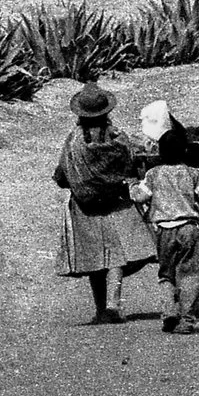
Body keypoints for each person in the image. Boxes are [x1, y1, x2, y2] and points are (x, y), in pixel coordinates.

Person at [53, 82, 154, 324]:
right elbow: (130, 165)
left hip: (84, 206)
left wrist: (84, 182)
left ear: (80, 114)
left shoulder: (73, 142)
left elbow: (61, 176)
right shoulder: (118, 138)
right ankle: (113, 304)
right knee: (118, 256)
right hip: (117, 201)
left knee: (95, 257)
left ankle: (101, 310)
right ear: (107, 112)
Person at [131, 127, 199, 334]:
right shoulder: (194, 173)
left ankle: (169, 313)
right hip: (189, 230)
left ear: (159, 153)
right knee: (190, 274)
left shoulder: (152, 174)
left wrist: (131, 186)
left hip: (163, 232)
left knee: (166, 274)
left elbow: (140, 197)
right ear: (185, 152)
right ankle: (186, 319)